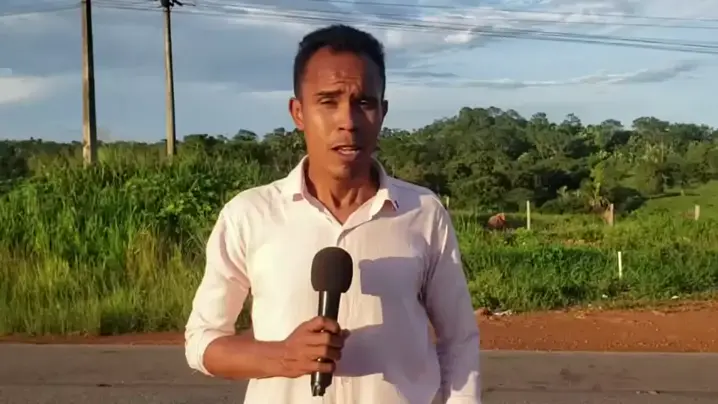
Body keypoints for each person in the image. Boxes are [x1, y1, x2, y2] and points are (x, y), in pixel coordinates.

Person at [184, 24, 481, 404]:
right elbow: (202, 341)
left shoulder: (423, 212)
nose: (348, 121)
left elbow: (458, 339)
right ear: (298, 112)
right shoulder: (249, 214)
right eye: (328, 102)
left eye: (364, 103)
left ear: (382, 112)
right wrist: (282, 356)